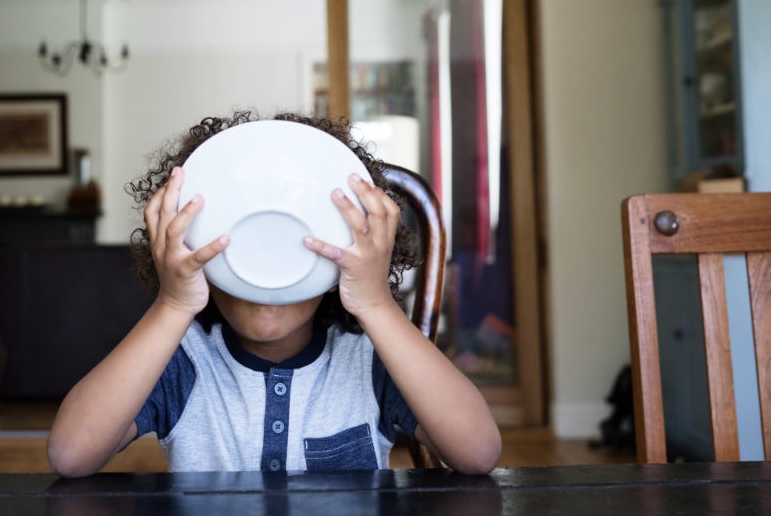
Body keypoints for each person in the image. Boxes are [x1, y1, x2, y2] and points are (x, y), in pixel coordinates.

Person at [47, 110, 501, 476]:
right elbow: (71, 454)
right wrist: (172, 304)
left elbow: (478, 452)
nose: (267, 280)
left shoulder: (371, 360)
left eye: (291, 251)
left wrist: (376, 302)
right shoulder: (183, 362)